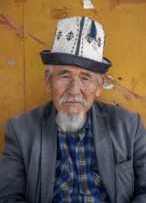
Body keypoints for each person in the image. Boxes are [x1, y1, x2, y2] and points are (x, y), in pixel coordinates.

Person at [0, 16, 146, 203]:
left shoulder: (129, 125)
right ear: (48, 81)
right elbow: (7, 197)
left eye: (85, 77)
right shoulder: (21, 130)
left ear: (100, 85)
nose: (74, 90)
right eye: (64, 75)